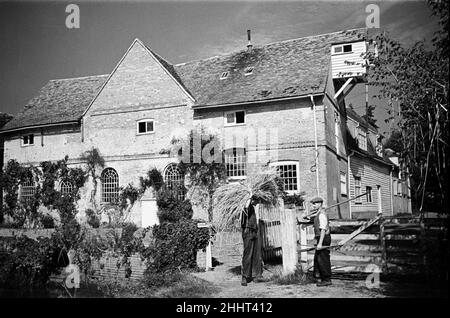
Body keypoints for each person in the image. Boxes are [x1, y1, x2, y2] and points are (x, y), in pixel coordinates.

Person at [240, 197, 263, 286]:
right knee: (248, 254)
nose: (257, 202)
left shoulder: (254, 207)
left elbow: (256, 217)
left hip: (255, 230)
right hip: (247, 230)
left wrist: (257, 227)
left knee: (256, 254)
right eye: (255, 200)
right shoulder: (245, 205)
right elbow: (246, 206)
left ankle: (256, 275)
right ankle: (245, 277)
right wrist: (250, 194)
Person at [310, 196, 332, 287]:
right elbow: (314, 220)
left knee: (323, 259)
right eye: (313, 204)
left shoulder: (322, 214)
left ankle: (326, 279)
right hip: (321, 238)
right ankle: (318, 277)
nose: (313, 205)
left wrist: (320, 243)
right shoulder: (318, 213)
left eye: (314, 204)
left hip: (324, 238)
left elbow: (323, 229)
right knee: (317, 259)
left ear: (320, 204)